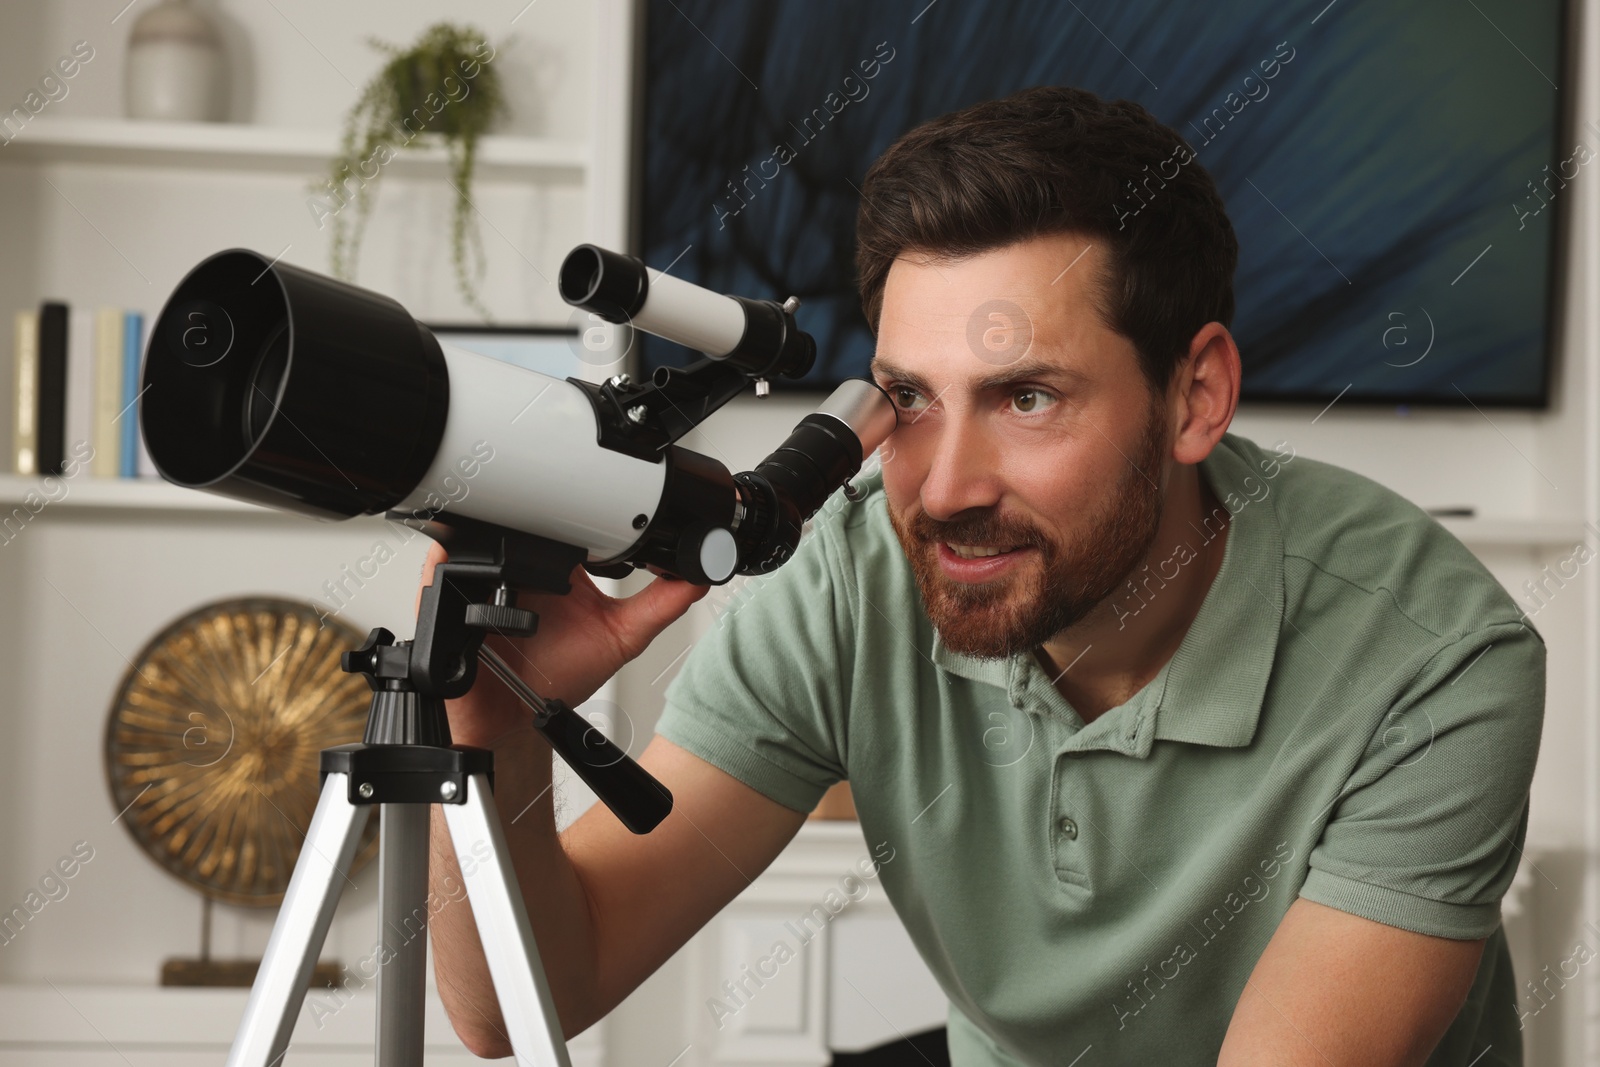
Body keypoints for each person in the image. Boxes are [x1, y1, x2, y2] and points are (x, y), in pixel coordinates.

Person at [424, 85, 1544, 1065]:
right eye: (909, 397)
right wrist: (485, 720)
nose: (944, 485)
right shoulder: (851, 570)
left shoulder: (1434, 657)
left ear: (1195, 395)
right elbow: (526, 999)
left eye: (1027, 397)